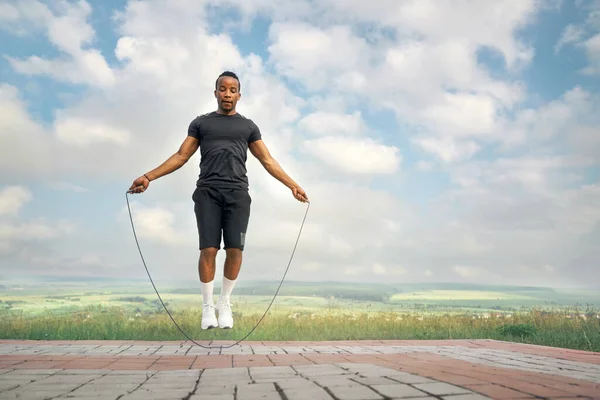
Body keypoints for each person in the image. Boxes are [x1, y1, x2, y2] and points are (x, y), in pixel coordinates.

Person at [128, 71, 308, 330]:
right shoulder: (201, 123)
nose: (227, 93)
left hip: (237, 194)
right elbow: (181, 155)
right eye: (222, 89)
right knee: (208, 249)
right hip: (208, 193)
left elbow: (267, 160)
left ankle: (225, 303)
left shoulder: (248, 127)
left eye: (232, 90)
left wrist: (293, 185)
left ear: (239, 95)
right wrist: (148, 177)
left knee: (235, 250)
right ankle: (207, 307)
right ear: (215, 93)